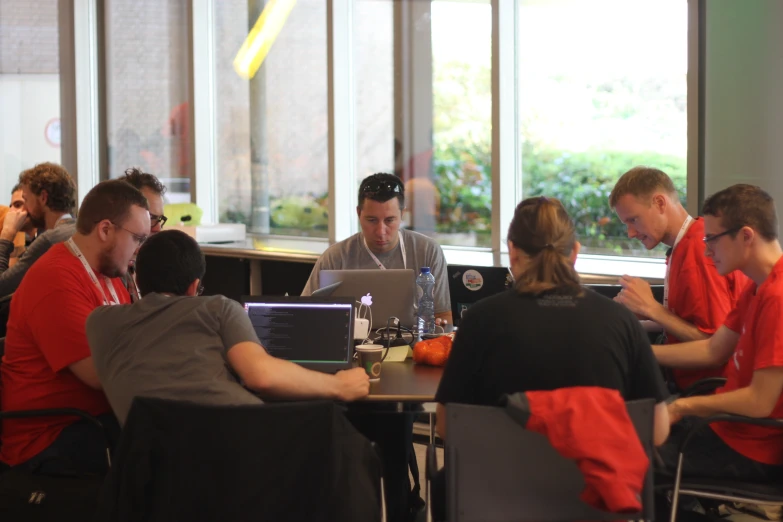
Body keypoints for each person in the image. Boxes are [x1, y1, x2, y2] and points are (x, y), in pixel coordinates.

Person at [432, 196, 671, 521]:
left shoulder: (479, 321)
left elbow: (449, 427)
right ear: (574, 252)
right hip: (597, 501)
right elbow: (655, 431)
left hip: (497, 500)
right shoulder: (620, 321)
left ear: (513, 251)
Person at [85, 229, 369, 425]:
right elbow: (262, 377)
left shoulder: (99, 323)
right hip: (239, 452)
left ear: (138, 279)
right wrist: (339, 385)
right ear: (195, 286)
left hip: (155, 473)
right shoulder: (217, 308)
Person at [0, 180, 149, 474]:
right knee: (164, 450)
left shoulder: (110, 274)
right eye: (137, 238)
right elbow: (98, 374)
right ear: (105, 230)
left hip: (92, 417)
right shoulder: (56, 279)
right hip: (49, 434)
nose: (140, 249)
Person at [655, 184, 783, 486]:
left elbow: (759, 403)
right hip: (726, 428)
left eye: (711, 238)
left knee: (623, 461)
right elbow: (713, 349)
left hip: (750, 449)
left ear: (746, 236)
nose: (706, 249)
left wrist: (682, 406)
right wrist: (638, 350)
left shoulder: (778, 297)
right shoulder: (757, 286)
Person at [609, 166, 748, 391]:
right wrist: (639, 315)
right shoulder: (684, 243)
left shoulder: (698, 250)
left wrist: (652, 309)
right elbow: (688, 324)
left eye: (634, 220)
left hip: (708, 391)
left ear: (660, 203)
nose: (631, 233)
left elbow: (714, 345)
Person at [302, 172, 452, 324]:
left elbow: (443, 316)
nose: (381, 231)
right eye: (372, 220)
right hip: (352, 345)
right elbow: (303, 314)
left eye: (389, 220)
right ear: (359, 213)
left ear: (402, 214)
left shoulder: (427, 251)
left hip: (412, 345)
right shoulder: (335, 257)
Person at [0, 163, 79, 298]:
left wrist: (7, 234)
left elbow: (1, 287)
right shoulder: (80, 229)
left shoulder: (49, 240)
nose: (23, 210)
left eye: (25, 200)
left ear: (43, 197)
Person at [119, 167, 168, 301]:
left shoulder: (146, 268)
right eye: (151, 217)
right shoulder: (108, 270)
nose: (158, 228)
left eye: (160, 219)